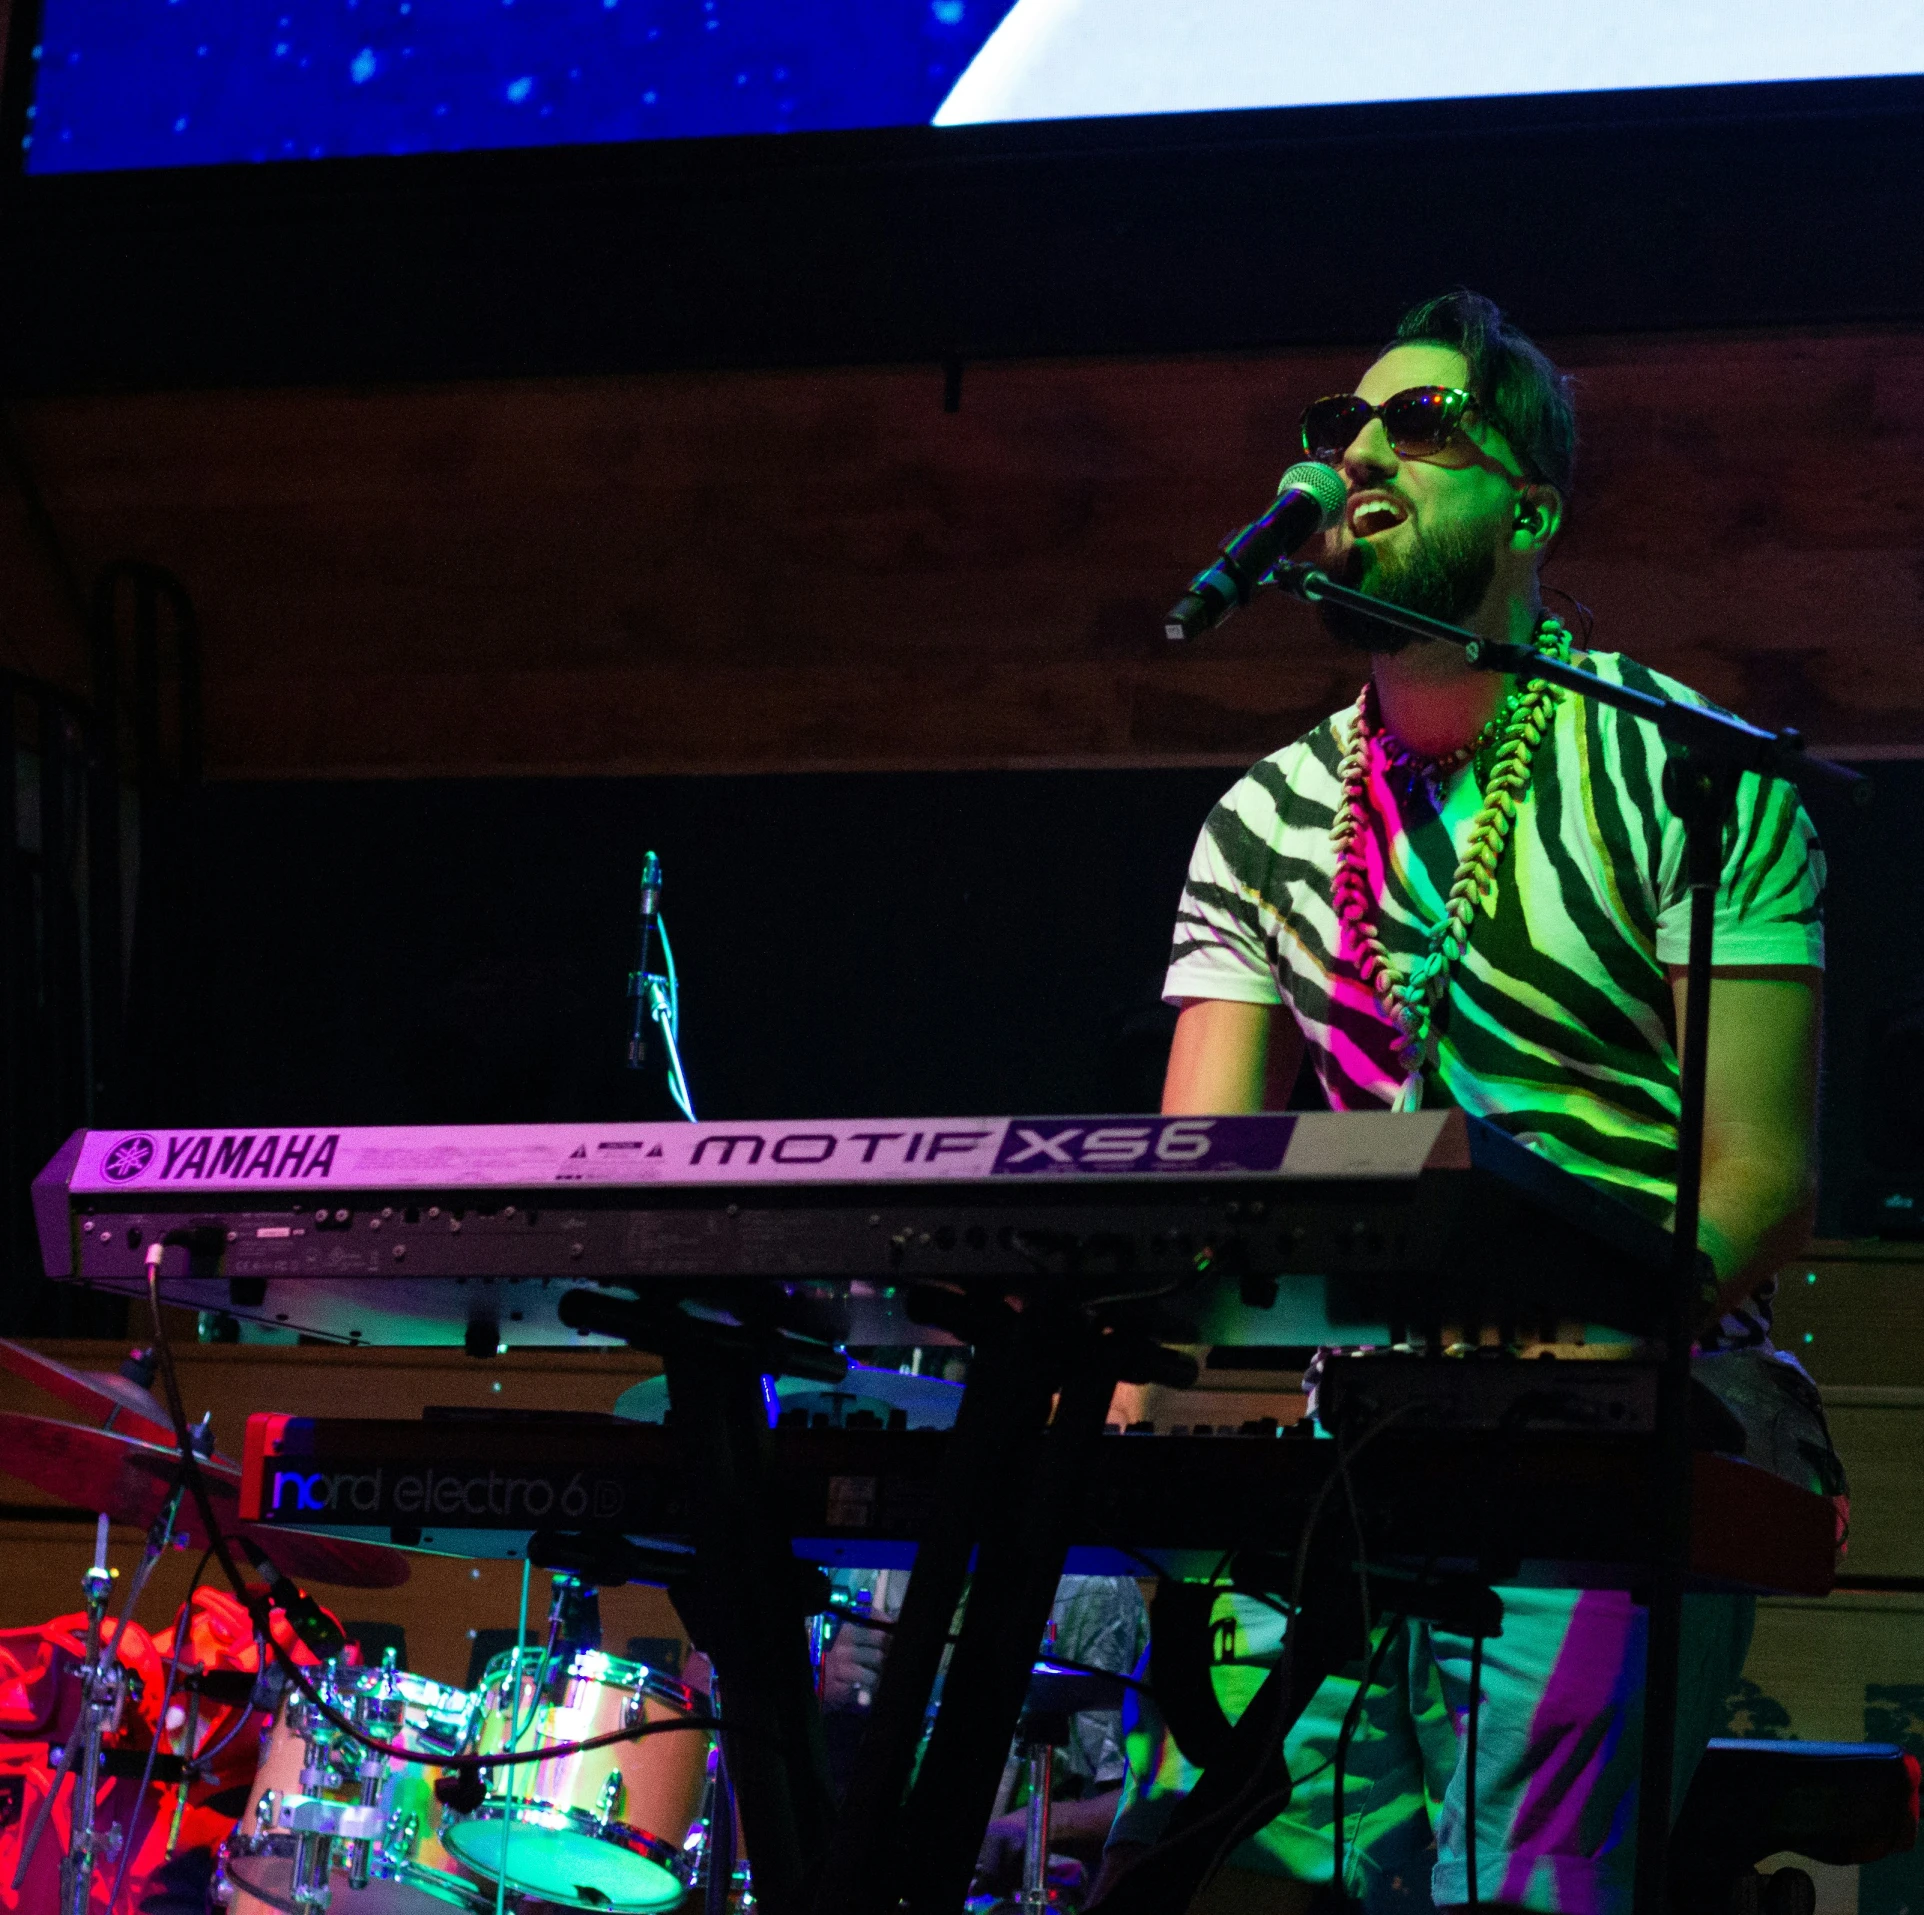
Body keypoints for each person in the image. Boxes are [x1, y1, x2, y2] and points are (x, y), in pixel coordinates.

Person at [1098, 291, 1845, 1915]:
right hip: (1354, 1443)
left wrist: (1577, 1358)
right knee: (1225, 1873)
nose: (1357, 452)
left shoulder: (1687, 773)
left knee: (1517, 1878)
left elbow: (1761, 1174)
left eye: (1417, 424)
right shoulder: (1262, 821)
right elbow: (1196, 1193)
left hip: (1639, 1412)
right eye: (1337, 428)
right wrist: (1145, 1431)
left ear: (1531, 505)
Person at [818, 1567, 1148, 1896]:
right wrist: (818, 1690)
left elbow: (1146, 1803)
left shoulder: (1090, 1587)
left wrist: (1029, 1828)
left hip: (1008, 1897)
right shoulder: (854, 1573)